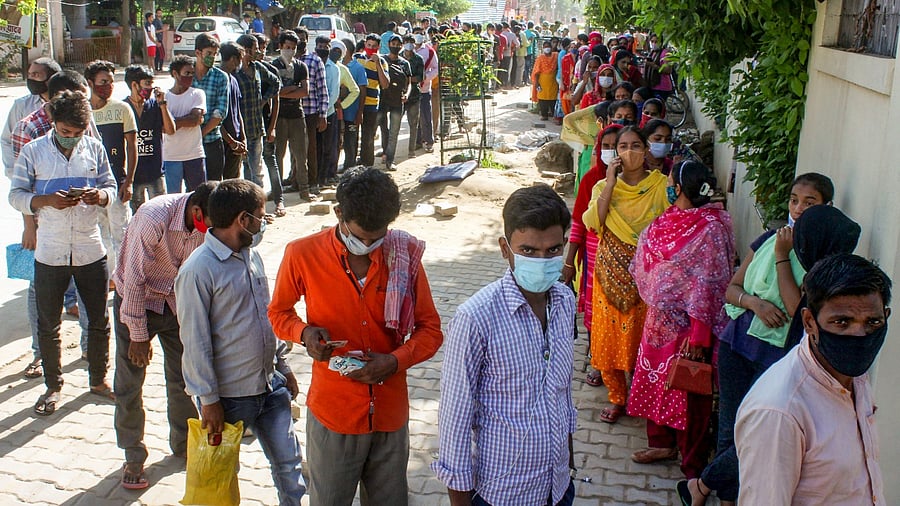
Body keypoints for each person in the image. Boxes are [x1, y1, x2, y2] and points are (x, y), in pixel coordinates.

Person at [681, 176, 862, 506]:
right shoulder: (769, 239)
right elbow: (732, 290)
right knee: (731, 428)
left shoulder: (821, 255)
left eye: (810, 202)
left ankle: (704, 485)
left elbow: (799, 313)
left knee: (757, 435)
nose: (799, 208)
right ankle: (725, 498)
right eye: (794, 200)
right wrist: (755, 303)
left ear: (826, 209)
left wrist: (783, 256)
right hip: (739, 344)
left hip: (778, 356)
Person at [268, 167, 443, 505]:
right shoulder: (301, 253)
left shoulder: (403, 255)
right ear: (338, 215)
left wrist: (394, 361)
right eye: (360, 236)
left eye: (377, 237)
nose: (367, 245)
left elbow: (431, 330)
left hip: (390, 413)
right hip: (334, 413)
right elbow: (278, 313)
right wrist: (303, 333)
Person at [433, 184, 576, 505]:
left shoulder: (565, 301)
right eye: (528, 251)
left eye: (553, 250)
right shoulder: (476, 317)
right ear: (504, 248)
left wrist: (568, 461)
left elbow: (562, 392)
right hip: (503, 492)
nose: (542, 260)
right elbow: (455, 419)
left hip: (558, 486)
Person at [176, 179, 306, 505]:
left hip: (269, 386)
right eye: (261, 217)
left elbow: (267, 316)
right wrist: (208, 399)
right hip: (229, 398)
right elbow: (195, 342)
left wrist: (283, 365)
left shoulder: (251, 256)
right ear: (243, 220)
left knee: (290, 467)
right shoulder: (197, 270)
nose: (264, 223)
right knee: (221, 476)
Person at [734, 253, 890, 504]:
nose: (860, 335)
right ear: (809, 322)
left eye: (873, 322)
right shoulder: (779, 411)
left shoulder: (854, 375)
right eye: (842, 322)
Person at [9, 90, 118, 415]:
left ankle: (98, 380)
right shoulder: (33, 151)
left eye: (78, 133)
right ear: (54, 124)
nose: (71, 139)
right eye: (66, 133)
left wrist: (97, 196)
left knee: (98, 320)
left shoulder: (94, 149)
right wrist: (45, 201)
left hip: (89, 248)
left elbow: (110, 186)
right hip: (50, 251)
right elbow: (16, 195)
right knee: (48, 323)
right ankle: (53, 386)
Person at [627, 161, 735, 478]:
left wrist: (700, 339)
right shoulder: (672, 217)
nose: (669, 185)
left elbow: (709, 285)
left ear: (683, 186)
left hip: (691, 329)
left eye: (673, 180)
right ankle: (661, 443)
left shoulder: (712, 228)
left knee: (689, 393)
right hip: (659, 323)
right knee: (654, 379)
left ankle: (693, 465)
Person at [112, 181, 217, 489]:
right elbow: (133, 279)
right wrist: (138, 334)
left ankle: (183, 442)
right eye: (209, 223)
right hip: (137, 302)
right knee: (129, 382)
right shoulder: (153, 217)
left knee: (184, 377)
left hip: (174, 302)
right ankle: (133, 453)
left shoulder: (207, 221)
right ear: (197, 211)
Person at [582, 125, 669, 423]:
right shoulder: (603, 187)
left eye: (635, 146)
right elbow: (595, 221)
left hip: (648, 275)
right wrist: (609, 183)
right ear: (615, 153)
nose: (629, 152)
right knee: (609, 337)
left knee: (642, 335)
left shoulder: (660, 186)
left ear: (645, 150)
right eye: (623, 147)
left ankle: (642, 396)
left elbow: (669, 223)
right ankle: (617, 397)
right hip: (610, 273)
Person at [562, 124, 622, 386]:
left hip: (628, 260)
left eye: (615, 146)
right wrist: (569, 262)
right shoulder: (592, 179)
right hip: (595, 257)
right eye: (605, 146)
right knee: (594, 310)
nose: (610, 152)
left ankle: (620, 361)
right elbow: (578, 223)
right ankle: (597, 358)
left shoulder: (642, 184)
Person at [85, 60, 138, 280]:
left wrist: (129, 182)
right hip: (90, 186)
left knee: (122, 233)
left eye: (111, 82)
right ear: (90, 83)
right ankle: (107, 276)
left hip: (117, 182)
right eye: (103, 82)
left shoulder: (122, 109)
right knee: (98, 234)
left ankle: (123, 278)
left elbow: (132, 147)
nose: (108, 86)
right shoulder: (83, 112)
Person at [123, 65, 174, 211]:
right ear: (134, 85)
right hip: (134, 175)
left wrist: (162, 104)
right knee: (137, 215)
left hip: (155, 172)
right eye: (147, 84)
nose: (151, 88)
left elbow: (170, 130)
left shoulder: (154, 106)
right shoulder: (123, 107)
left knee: (161, 213)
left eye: (152, 83)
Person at [235, 35, 281, 186]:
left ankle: (258, 203)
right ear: (247, 50)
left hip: (256, 128)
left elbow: (276, 83)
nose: (258, 52)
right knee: (242, 170)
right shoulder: (234, 72)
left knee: (257, 171)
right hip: (240, 131)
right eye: (255, 49)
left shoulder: (257, 67)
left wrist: (264, 99)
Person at [271, 30, 312, 200]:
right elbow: (273, 93)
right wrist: (292, 89)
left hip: (297, 115)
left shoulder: (301, 66)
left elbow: (304, 91)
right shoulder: (273, 66)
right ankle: (277, 193)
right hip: (278, 116)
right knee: (278, 155)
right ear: (280, 46)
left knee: (301, 156)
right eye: (287, 47)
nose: (290, 51)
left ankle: (304, 189)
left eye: (293, 48)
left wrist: (285, 91)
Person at [253, 32, 287, 216]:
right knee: (251, 166)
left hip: (265, 123)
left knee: (270, 160)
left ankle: (278, 198)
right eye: (257, 47)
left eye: (263, 47)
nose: (260, 51)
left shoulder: (268, 71)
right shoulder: (245, 71)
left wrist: (272, 126)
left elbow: (276, 101)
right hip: (249, 126)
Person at [163, 56, 207, 192]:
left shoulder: (197, 94)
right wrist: (185, 121)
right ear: (175, 74)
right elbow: (164, 128)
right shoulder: (164, 98)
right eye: (187, 73)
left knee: (198, 196)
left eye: (192, 74)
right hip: (171, 156)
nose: (190, 77)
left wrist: (173, 123)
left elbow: (196, 119)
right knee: (173, 198)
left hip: (194, 154)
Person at [193, 33, 231, 181]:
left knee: (214, 187)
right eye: (209, 53)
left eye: (215, 54)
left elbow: (220, 112)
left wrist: (200, 134)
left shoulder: (221, 77)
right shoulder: (187, 75)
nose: (212, 57)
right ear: (198, 53)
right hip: (188, 145)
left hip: (211, 141)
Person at [296, 26, 329, 194]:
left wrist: (322, 115)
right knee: (295, 149)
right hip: (292, 112)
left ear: (307, 40)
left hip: (311, 111)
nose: (299, 41)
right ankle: (296, 180)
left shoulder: (315, 61)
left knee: (311, 149)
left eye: (302, 38)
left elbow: (323, 90)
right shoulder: (286, 61)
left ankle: (313, 181)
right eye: (296, 38)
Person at [327, 40, 360, 181]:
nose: (335, 53)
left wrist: (342, 105)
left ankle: (331, 173)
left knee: (335, 142)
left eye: (338, 51)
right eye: (333, 49)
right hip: (317, 109)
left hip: (334, 111)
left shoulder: (342, 69)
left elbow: (355, 90)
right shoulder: (321, 64)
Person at [378, 35, 411, 171]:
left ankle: (390, 160)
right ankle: (385, 152)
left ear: (401, 46)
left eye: (398, 44)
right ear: (389, 44)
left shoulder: (405, 63)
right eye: (393, 43)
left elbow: (409, 83)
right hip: (382, 100)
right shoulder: (382, 60)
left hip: (398, 101)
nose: (396, 46)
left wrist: (407, 95)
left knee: (394, 132)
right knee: (382, 128)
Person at [217, 42, 248, 180]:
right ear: (233, 59)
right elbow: (216, 117)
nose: (240, 63)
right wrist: (230, 141)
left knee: (233, 181)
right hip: (221, 141)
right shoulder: (217, 79)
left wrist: (242, 137)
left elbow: (237, 111)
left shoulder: (234, 80)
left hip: (235, 140)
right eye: (240, 59)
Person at [314, 36, 340, 186]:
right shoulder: (310, 64)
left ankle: (323, 178)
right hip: (312, 114)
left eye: (326, 46)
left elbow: (333, 94)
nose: (323, 49)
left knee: (326, 148)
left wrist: (322, 112)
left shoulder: (334, 68)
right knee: (313, 147)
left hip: (328, 113)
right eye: (320, 46)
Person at [343, 41, 369, 171]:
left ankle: (350, 166)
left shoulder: (358, 68)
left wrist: (360, 112)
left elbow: (363, 91)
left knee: (351, 141)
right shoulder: (336, 66)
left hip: (352, 112)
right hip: (338, 112)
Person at [413, 33, 437, 153]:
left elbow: (435, 68)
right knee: (413, 117)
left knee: (426, 115)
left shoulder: (430, 52)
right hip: (411, 89)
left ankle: (428, 141)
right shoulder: (407, 50)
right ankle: (416, 141)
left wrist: (426, 78)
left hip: (424, 88)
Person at [401, 35, 423, 159]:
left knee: (413, 124)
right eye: (407, 42)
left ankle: (411, 150)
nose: (409, 44)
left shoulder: (418, 59)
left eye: (411, 42)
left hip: (414, 95)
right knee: (395, 124)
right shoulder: (398, 57)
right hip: (400, 95)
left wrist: (407, 79)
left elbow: (420, 77)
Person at [532, 41, 559, 121]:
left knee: (553, 99)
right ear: (543, 48)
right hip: (542, 81)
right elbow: (536, 71)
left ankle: (554, 114)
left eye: (548, 46)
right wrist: (536, 83)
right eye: (545, 47)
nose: (547, 48)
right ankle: (544, 115)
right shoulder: (540, 58)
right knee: (542, 99)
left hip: (553, 81)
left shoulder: (556, 56)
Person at [645, 34, 674, 100]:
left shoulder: (665, 53)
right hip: (653, 86)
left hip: (662, 87)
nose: (654, 44)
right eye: (652, 41)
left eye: (656, 42)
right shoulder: (653, 53)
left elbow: (668, 70)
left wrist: (654, 66)